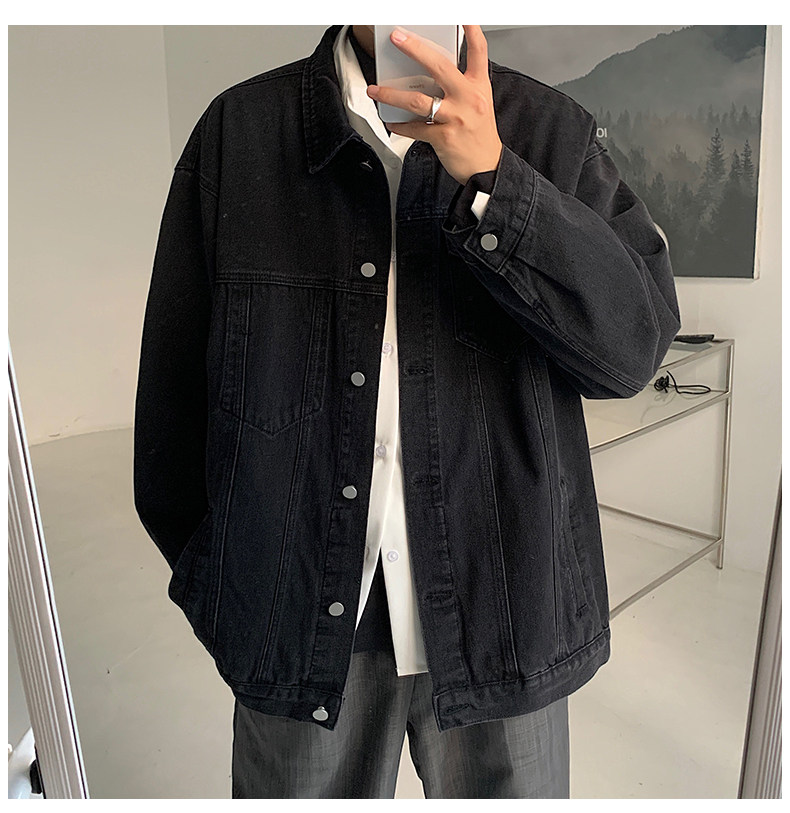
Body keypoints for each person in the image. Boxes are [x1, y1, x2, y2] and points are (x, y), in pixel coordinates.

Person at [134, 24, 681, 799]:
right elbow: (173, 403)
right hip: (294, 615)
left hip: (506, 613)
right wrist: (232, 583)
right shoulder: (241, 133)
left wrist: (495, 180)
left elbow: (632, 348)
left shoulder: (550, 132)